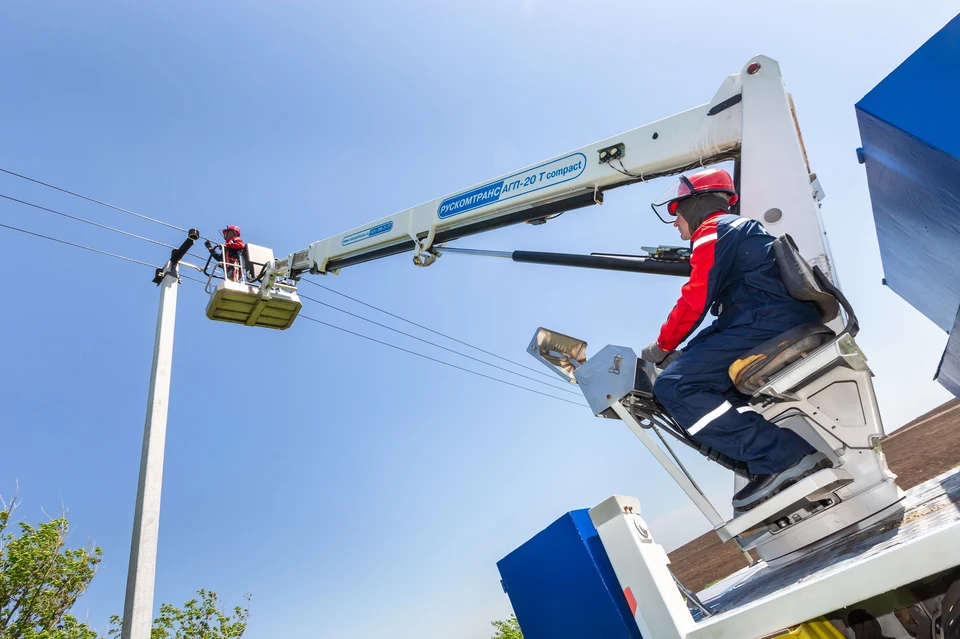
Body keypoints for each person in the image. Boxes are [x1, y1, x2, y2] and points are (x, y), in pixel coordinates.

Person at [640, 168, 828, 512]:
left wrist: (662, 347)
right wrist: (686, 354)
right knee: (697, 379)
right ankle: (767, 462)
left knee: (674, 387)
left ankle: (781, 458)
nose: (675, 224)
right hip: (769, 316)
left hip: (764, 321)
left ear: (697, 204)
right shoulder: (741, 230)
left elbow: (696, 298)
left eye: (677, 213)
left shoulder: (713, 229)